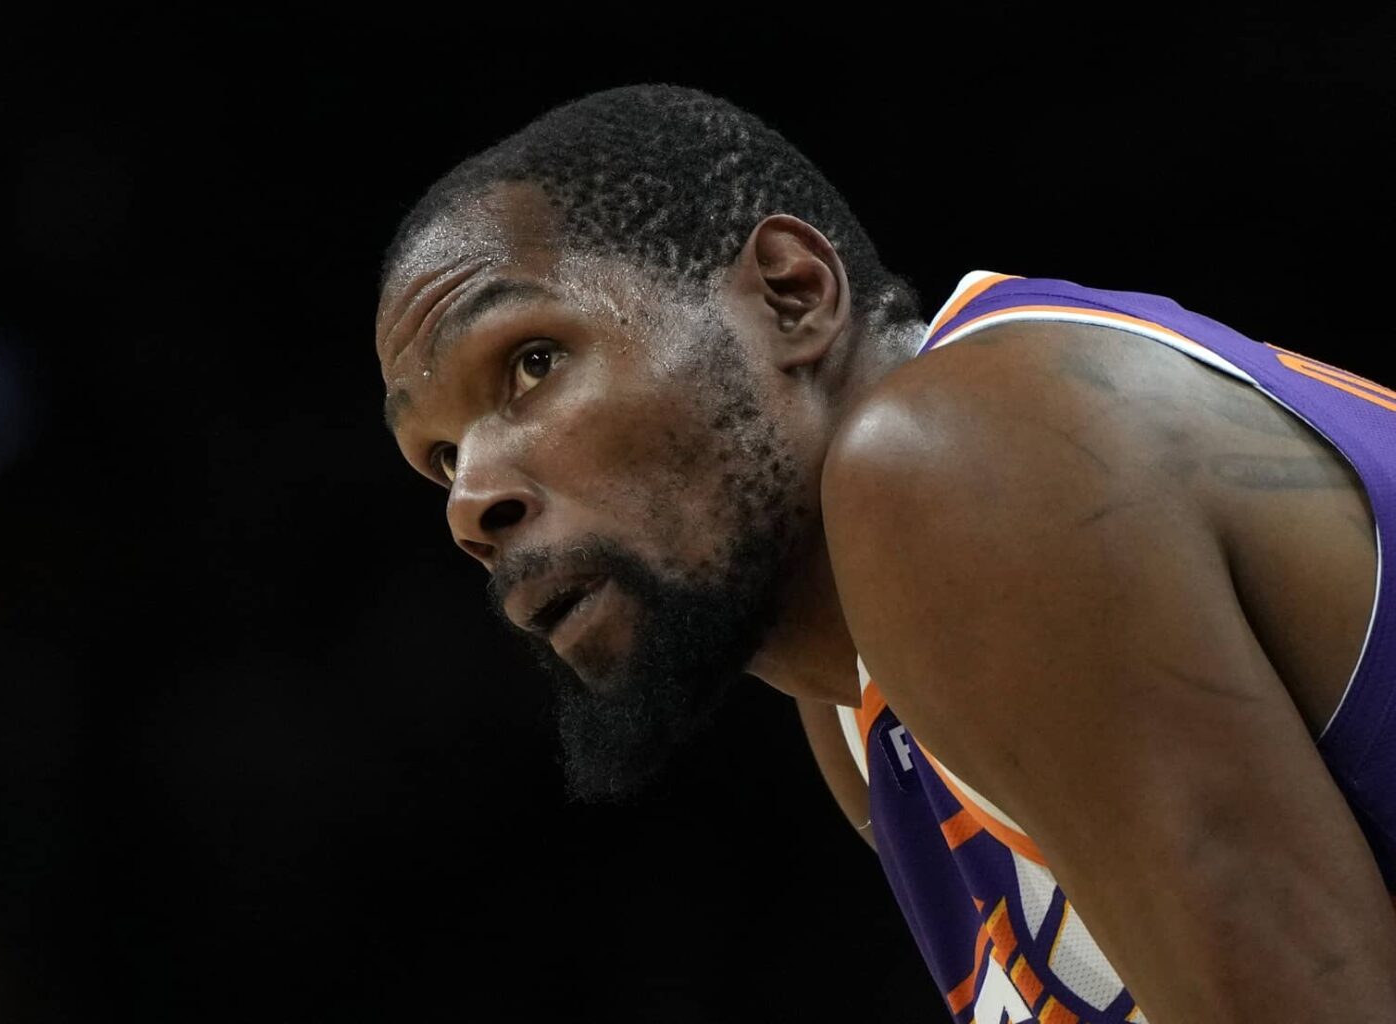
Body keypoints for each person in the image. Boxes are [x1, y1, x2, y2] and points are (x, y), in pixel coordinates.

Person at [374, 84, 1396, 1022]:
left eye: (532, 363)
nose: (470, 503)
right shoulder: (853, 706)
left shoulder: (963, 456)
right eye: (441, 457)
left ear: (790, 294)